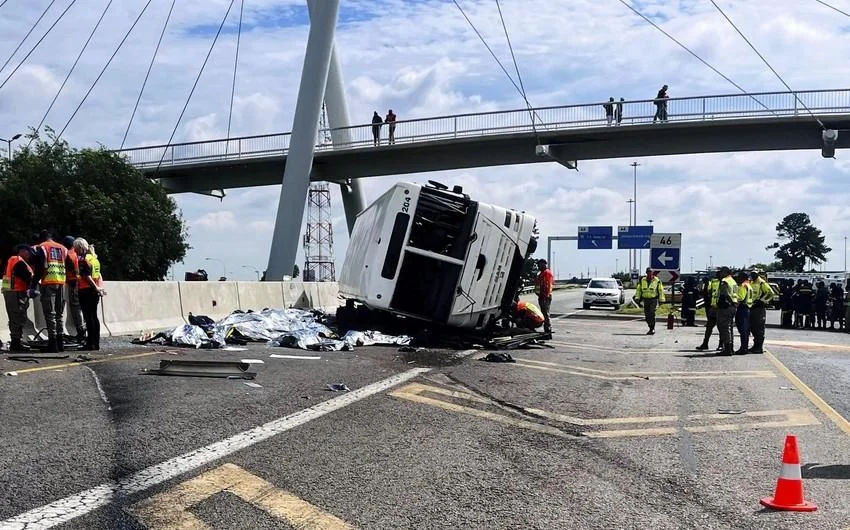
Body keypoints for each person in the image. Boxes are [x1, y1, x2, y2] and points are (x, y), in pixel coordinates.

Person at [31, 230, 72, 352]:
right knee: (59, 313)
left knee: (50, 314)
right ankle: (60, 343)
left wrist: (33, 285)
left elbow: (39, 268)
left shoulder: (42, 247)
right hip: (61, 282)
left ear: (42, 238)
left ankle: (53, 344)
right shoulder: (63, 248)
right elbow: (70, 265)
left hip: (48, 282)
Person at [2, 244, 34, 352]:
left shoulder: (11, 260)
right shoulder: (19, 262)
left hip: (9, 292)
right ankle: (16, 343)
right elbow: (26, 277)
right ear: (22, 251)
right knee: (18, 317)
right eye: (28, 252)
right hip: (16, 292)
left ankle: (16, 341)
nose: (29, 255)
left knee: (14, 318)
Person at [75, 238, 105, 351]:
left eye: (76, 248)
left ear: (80, 248)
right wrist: (99, 287)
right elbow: (99, 275)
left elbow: (86, 276)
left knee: (88, 317)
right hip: (94, 292)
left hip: (86, 290)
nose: (76, 251)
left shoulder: (84, 260)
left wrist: (95, 286)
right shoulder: (94, 259)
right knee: (94, 316)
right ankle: (95, 343)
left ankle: (90, 343)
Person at [62, 235, 86, 344]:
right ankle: (83, 333)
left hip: (74, 283)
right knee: (83, 309)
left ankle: (81, 334)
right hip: (83, 284)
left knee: (76, 309)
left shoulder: (69, 254)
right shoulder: (82, 254)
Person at [714, 267, 738, 356]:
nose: (720, 274)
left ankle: (727, 348)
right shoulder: (733, 281)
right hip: (733, 307)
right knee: (729, 328)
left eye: (721, 272)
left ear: (725, 272)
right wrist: (734, 303)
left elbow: (725, 293)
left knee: (724, 328)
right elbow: (735, 294)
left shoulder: (724, 281)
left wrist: (730, 301)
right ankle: (730, 348)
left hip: (725, 306)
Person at [748, 271, 774, 354]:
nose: (752, 275)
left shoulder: (762, 283)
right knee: (753, 327)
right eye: (751, 274)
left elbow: (770, 293)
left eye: (754, 274)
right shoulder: (752, 282)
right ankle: (755, 346)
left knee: (759, 328)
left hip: (759, 308)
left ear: (757, 275)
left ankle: (759, 347)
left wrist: (762, 301)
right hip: (752, 308)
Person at [634, 267, 665, 335]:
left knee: (651, 313)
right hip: (646, 299)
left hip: (653, 299)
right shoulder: (643, 280)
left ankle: (652, 328)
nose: (649, 273)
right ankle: (650, 327)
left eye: (650, 272)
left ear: (652, 273)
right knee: (647, 315)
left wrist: (661, 300)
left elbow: (660, 290)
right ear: (646, 273)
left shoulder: (657, 280)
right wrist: (637, 298)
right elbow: (639, 290)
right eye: (648, 272)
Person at [696, 272, 721, 350]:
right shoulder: (713, 282)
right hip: (713, 307)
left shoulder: (725, 283)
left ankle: (721, 345)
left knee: (721, 328)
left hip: (721, 308)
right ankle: (705, 343)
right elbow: (708, 292)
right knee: (709, 326)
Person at [734, 271, 753, 354]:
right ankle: (745, 347)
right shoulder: (749, 285)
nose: (737, 278)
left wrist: (733, 294)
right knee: (745, 330)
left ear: (742, 278)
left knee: (742, 330)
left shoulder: (742, 286)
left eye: (739, 277)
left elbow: (740, 298)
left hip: (742, 308)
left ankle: (743, 348)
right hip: (748, 309)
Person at [534, 259, 554, 334]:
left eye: (540, 265)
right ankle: (547, 327)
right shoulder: (541, 273)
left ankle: (548, 328)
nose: (538, 266)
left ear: (543, 264)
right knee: (544, 312)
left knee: (545, 313)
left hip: (545, 296)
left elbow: (547, 285)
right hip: (542, 296)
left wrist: (545, 295)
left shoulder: (546, 273)